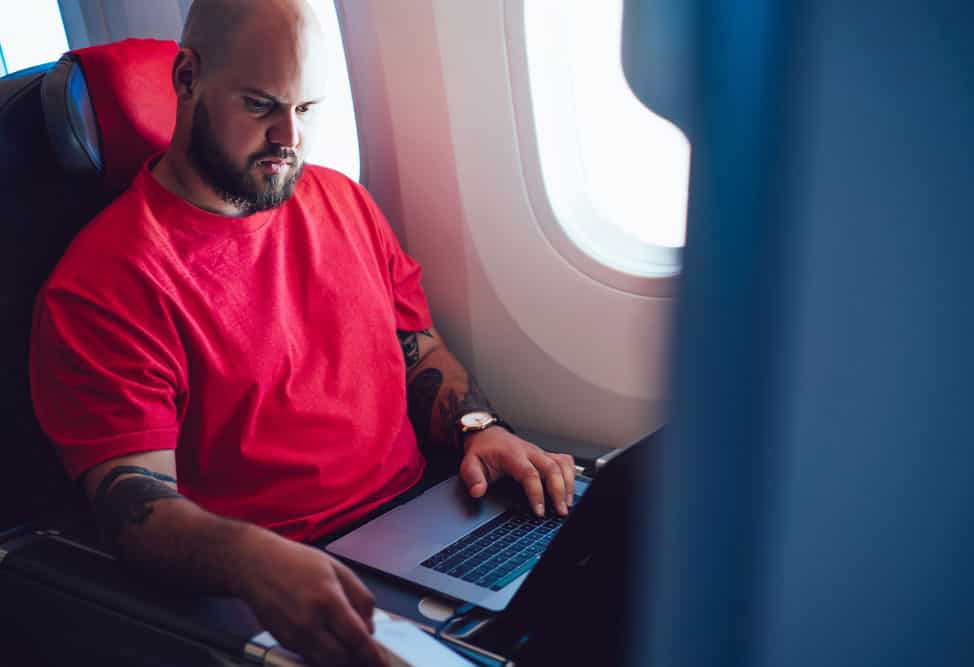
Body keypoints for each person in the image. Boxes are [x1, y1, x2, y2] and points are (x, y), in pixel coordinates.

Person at [29, 1, 577, 665]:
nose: (289, 137)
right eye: (262, 106)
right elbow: (133, 507)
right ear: (186, 78)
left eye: (308, 109)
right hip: (275, 579)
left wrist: (479, 428)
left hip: (424, 523)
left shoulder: (340, 202)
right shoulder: (106, 284)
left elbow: (419, 352)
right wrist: (255, 561)